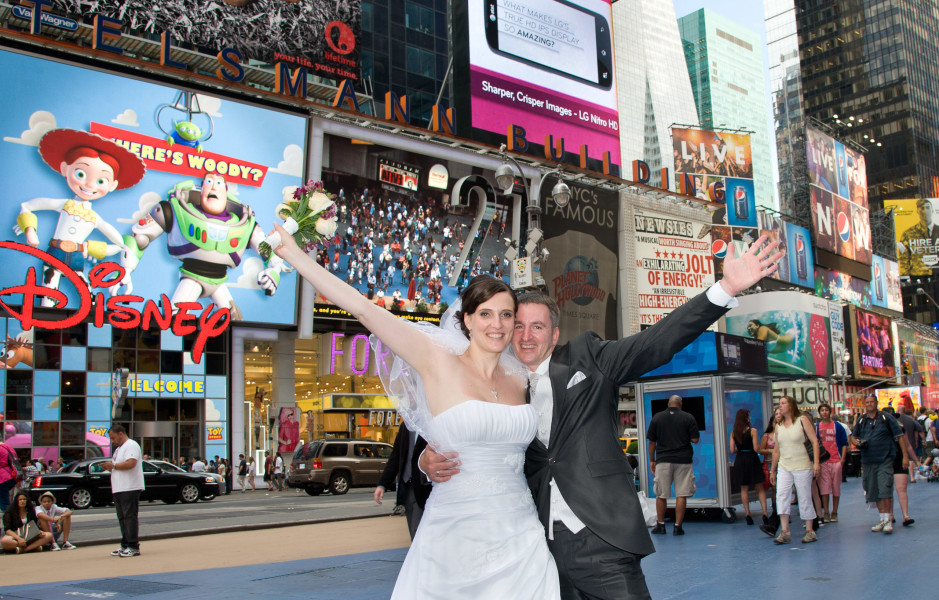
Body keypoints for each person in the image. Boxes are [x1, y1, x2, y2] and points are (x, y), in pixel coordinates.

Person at [424, 235, 780, 598]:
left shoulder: (589, 357)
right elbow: (482, 443)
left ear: (556, 334)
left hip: (603, 538)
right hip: (538, 549)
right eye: (518, 326)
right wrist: (429, 457)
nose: (526, 336)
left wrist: (725, 288)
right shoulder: (505, 389)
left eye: (538, 326)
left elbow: (656, 341)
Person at [272, 220, 561, 599]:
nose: (498, 324)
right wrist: (293, 254)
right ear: (468, 320)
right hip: (455, 534)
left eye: (506, 315)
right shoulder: (435, 360)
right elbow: (364, 309)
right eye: (486, 314)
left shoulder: (521, 376)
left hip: (521, 533)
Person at [120, 173, 287, 318]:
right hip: (192, 277)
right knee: (173, 320)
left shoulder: (246, 224)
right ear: (201, 190)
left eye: (219, 184)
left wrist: (275, 271)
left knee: (233, 321)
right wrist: (126, 270)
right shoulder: (174, 210)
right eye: (209, 182)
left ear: (226, 192)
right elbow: (139, 239)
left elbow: (270, 253)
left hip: (219, 281)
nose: (213, 187)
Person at [17, 128, 145, 304]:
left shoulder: (94, 217)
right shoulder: (65, 205)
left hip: (76, 256)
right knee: (48, 295)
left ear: (112, 185)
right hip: (55, 253)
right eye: (81, 174)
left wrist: (91, 248)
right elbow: (27, 206)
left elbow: (120, 244)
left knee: (87, 295)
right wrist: (30, 231)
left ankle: (90, 316)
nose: (90, 184)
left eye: (101, 181)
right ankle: (46, 323)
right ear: (65, 168)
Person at [851, 395, 908, 534]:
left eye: (872, 402)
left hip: (885, 459)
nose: (870, 404)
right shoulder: (862, 420)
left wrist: (905, 457)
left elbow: (900, 437)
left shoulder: (886, 418)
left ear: (876, 403)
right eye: (867, 402)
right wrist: (856, 442)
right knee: (873, 490)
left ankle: (888, 519)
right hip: (868, 460)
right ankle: (882, 518)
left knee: (884, 488)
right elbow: (853, 436)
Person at [769, 396, 819, 544]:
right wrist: (773, 470)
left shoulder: (802, 420)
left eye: (783, 403)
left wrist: (816, 463)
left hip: (802, 465)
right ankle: (785, 531)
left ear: (791, 405)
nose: (780, 406)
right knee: (781, 496)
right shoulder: (778, 425)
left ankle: (810, 530)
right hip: (784, 466)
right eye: (779, 404)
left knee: (804, 496)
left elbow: (815, 441)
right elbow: (777, 449)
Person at [647, 395, 700, 535]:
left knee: (661, 494)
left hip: (663, 460)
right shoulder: (688, 417)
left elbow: (651, 442)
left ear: (668, 404)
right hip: (683, 460)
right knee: (681, 494)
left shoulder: (657, 418)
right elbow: (695, 439)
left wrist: (652, 460)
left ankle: (661, 525)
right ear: (680, 404)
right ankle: (678, 527)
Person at [374, 422, 431, 540]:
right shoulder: (406, 425)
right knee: (413, 530)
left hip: (425, 487)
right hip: (407, 486)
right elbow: (396, 456)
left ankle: (419, 557)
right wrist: (382, 484)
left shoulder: (430, 422)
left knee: (418, 532)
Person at [101, 423, 144, 557]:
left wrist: (113, 466)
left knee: (129, 516)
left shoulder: (131, 445)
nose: (112, 441)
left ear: (121, 434)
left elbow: (131, 463)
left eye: (113, 438)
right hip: (120, 487)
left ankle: (133, 545)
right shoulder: (119, 448)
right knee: (123, 517)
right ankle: (125, 544)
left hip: (129, 486)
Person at [729, 408, 767, 526]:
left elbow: (731, 450)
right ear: (746, 418)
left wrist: (739, 449)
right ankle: (765, 513)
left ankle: (747, 514)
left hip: (740, 459)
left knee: (744, 489)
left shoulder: (733, 432)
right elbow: (756, 448)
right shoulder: (753, 431)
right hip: (752, 458)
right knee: (759, 487)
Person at [815, 403, 848, 523]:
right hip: (823, 461)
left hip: (836, 460)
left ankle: (835, 511)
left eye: (826, 410)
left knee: (835, 487)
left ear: (830, 412)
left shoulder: (837, 426)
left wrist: (842, 460)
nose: (824, 412)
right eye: (822, 410)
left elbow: (845, 443)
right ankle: (826, 512)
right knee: (824, 488)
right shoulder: (817, 427)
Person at [758, 409, 783, 537]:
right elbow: (760, 449)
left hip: (785, 464)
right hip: (772, 464)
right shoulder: (767, 436)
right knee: (777, 491)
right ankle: (776, 520)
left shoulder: (784, 433)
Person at [0, 438, 18, 512]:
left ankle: (10, 519)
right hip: (11, 476)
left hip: (2, 477)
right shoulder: (8, 447)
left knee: (4, 503)